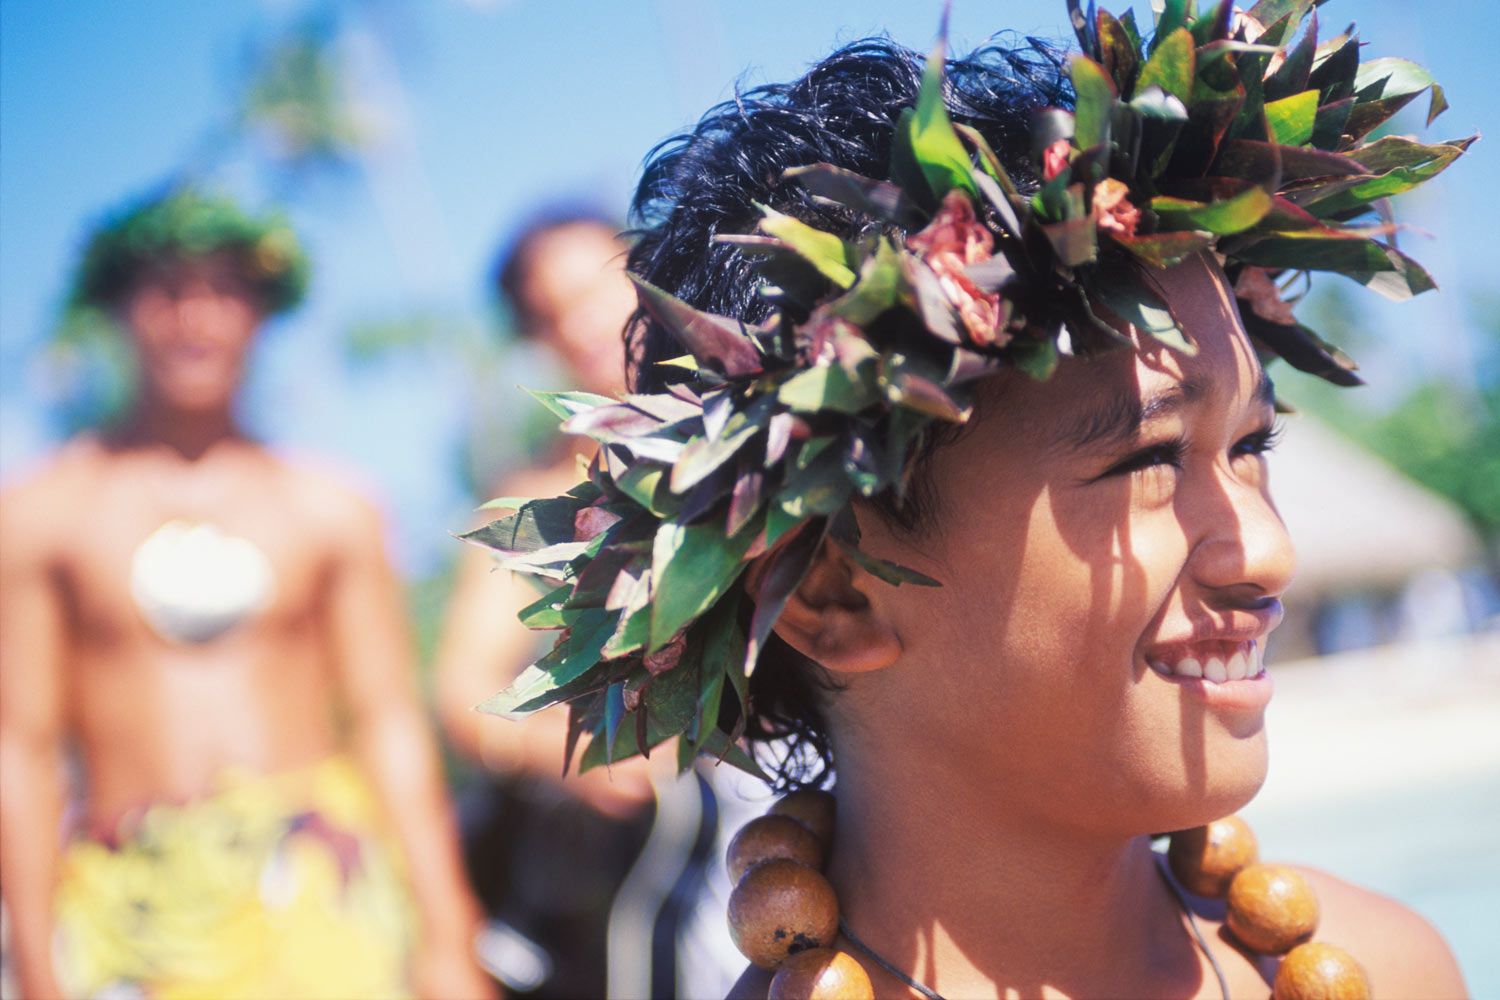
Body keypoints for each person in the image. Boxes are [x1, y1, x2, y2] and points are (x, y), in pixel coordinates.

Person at [466, 3, 1475, 998]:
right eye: (1151, 458)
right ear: (833, 593)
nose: (1266, 551)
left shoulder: (1389, 970)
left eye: (1251, 445)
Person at [0, 187, 494, 1000]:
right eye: (166, 290)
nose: (195, 319)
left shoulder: (332, 507)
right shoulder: (42, 513)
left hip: (317, 889)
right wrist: (35, 967)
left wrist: (448, 936)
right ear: (117, 308)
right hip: (129, 906)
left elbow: (388, 724)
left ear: (262, 314)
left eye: (225, 291)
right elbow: (21, 751)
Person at [436, 209, 714, 998]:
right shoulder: (530, 505)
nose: (585, 324)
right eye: (552, 313)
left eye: (599, 290)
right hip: (642, 873)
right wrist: (566, 752)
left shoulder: (750, 428)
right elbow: (463, 692)